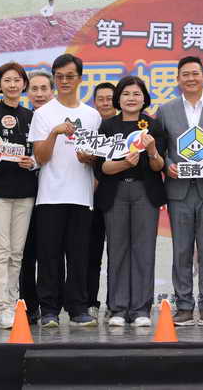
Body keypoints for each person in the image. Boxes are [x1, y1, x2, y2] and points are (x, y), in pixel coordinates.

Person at [156, 56, 203, 326]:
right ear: (178, 79)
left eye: (195, 74)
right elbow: (160, 148)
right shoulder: (165, 110)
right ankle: (185, 307)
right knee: (181, 251)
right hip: (178, 190)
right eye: (185, 74)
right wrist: (167, 165)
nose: (190, 78)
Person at [28, 54, 101, 327]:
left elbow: (98, 157)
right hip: (50, 195)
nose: (65, 81)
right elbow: (41, 157)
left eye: (70, 76)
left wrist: (89, 158)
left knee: (79, 255)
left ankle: (78, 308)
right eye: (59, 77)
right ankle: (49, 309)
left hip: (82, 195)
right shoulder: (43, 113)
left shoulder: (92, 115)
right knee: (49, 256)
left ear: (80, 78)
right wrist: (54, 133)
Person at [95, 76, 166, 327]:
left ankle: (141, 309)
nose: (131, 98)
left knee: (144, 250)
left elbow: (159, 166)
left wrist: (152, 150)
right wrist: (125, 163)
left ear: (144, 98)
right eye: (126, 94)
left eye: (136, 94)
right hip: (115, 193)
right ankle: (118, 308)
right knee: (117, 249)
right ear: (118, 98)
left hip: (145, 192)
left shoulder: (153, 126)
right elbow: (101, 168)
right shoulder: (108, 126)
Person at [0, 62, 37, 329]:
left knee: (16, 253)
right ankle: (1, 308)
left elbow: (38, 152)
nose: (12, 85)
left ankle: (13, 304)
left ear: (24, 84)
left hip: (25, 192)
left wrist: (33, 163)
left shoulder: (32, 116)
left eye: (17, 80)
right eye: (7, 80)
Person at [19, 70, 55, 324]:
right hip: (25, 194)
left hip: (54, 195)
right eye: (34, 89)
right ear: (27, 92)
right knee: (26, 253)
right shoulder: (21, 118)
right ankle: (29, 305)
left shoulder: (60, 118)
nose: (39, 94)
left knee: (50, 254)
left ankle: (51, 306)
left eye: (44, 89)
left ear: (52, 91)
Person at [88, 82, 117, 319]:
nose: (106, 103)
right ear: (94, 102)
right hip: (91, 197)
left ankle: (115, 302)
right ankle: (90, 302)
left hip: (119, 197)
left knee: (117, 254)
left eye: (110, 98)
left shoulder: (123, 127)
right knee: (91, 253)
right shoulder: (89, 126)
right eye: (101, 99)